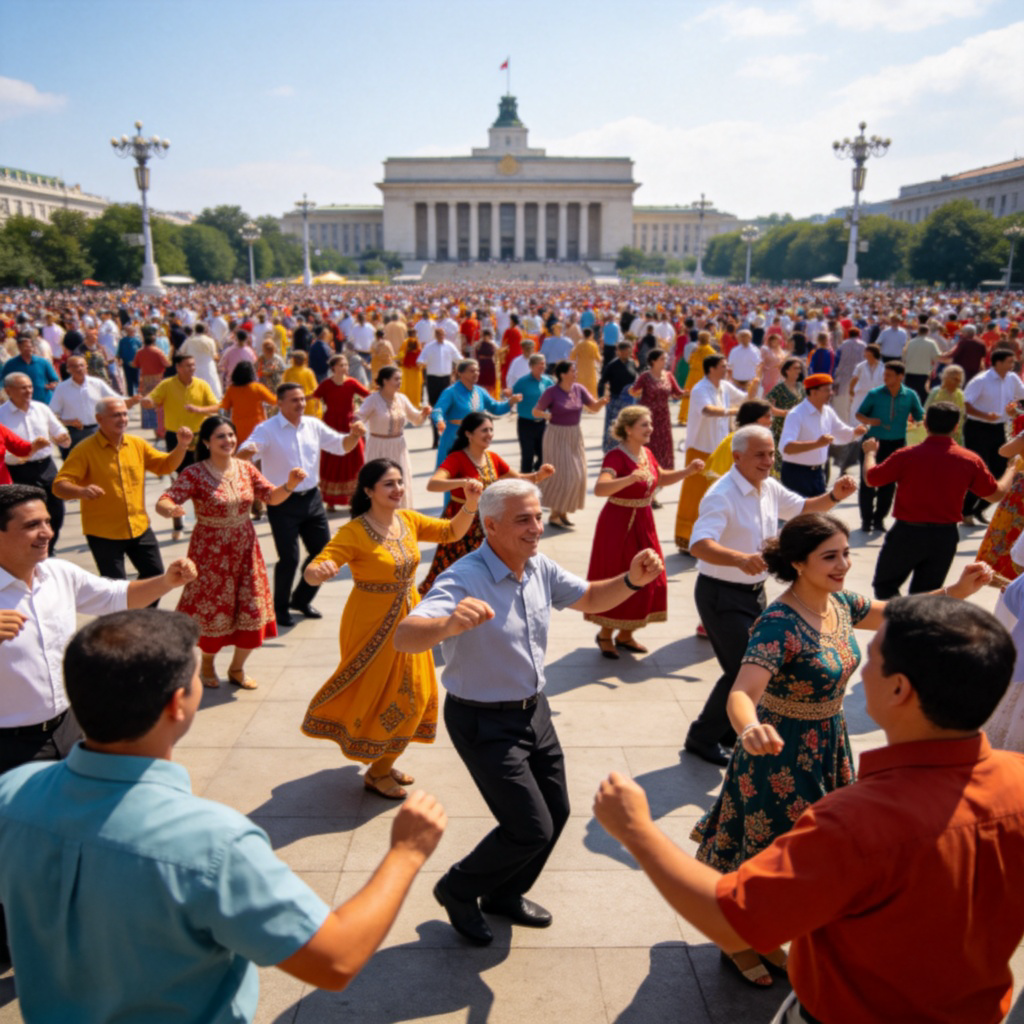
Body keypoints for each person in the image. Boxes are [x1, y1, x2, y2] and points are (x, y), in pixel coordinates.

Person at [0, 607, 448, 1021]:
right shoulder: (210, 842)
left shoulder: (12, 793)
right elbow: (337, 960)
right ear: (178, 704)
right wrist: (406, 852)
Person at [594, 595, 1024, 1024]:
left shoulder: (857, 821)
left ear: (899, 690)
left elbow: (733, 920)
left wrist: (637, 830)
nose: (858, 671)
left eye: (871, 659)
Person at [688, 512, 992, 985]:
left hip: (828, 746)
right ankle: (736, 941)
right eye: (830, 556)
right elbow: (741, 692)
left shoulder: (840, 604)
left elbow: (897, 612)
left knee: (813, 856)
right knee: (770, 855)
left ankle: (765, 933)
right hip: (778, 756)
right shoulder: (778, 623)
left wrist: (956, 592)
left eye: (846, 553)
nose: (844, 564)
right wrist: (749, 730)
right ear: (798, 563)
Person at [394, 478, 665, 946]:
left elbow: (591, 598)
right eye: (524, 519)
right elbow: (406, 635)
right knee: (528, 828)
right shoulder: (463, 577)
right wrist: (447, 623)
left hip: (534, 712)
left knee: (556, 813)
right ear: (492, 526)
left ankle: (504, 894)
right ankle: (457, 889)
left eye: (539, 516)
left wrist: (631, 581)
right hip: (483, 721)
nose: (537, 527)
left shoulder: (538, 566)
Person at [300, 460, 482, 799]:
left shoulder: (408, 520)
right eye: (388, 484)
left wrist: (470, 504)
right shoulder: (353, 531)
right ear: (368, 491)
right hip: (370, 623)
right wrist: (318, 571)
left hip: (411, 617)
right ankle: (379, 770)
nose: (398, 488)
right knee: (390, 696)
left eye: (399, 481)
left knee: (417, 692)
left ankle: (384, 758)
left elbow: (451, 532)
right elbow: (317, 566)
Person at [683, 427, 856, 767]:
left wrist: (834, 495)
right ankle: (701, 737)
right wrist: (739, 558)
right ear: (738, 457)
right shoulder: (721, 494)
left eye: (771, 453)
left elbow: (804, 508)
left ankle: (728, 730)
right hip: (721, 594)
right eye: (761, 454)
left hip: (753, 593)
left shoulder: (769, 486)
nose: (769, 461)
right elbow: (699, 544)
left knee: (747, 667)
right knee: (740, 669)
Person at [156, 416, 306, 690]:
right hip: (209, 551)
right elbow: (165, 499)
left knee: (250, 606)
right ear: (206, 442)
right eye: (221, 437)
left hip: (245, 548)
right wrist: (171, 509)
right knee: (213, 608)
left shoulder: (245, 468)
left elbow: (271, 497)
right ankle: (209, 663)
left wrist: (290, 485)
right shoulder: (194, 473)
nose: (228, 441)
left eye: (231, 435)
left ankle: (237, 668)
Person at [237, 382, 365, 627]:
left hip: (312, 499)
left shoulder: (313, 425)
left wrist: (354, 436)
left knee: (323, 552)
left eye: (302, 399)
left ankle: (301, 599)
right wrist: (247, 451)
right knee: (289, 558)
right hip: (282, 501)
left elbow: (342, 446)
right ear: (280, 403)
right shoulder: (267, 429)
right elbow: (245, 452)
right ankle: (280, 608)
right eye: (294, 400)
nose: (301, 404)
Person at [865, 403, 1015, 598]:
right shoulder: (968, 459)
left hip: (906, 533)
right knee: (927, 596)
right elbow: (995, 494)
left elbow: (871, 478)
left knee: (885, 586)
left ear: (925, 424)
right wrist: (1012, 470)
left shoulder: (906, 455)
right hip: (943, 537)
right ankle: (914, 625)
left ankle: (898, 623)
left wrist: (870, 453)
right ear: (956, 426)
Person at [589, 406, 704, 658]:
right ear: (628, 429)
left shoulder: (647, 453)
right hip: (617, 524)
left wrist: (687, 472)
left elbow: (660, 478)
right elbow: (601, 488)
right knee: (617, 576)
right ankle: (605, 634)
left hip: (644, 520)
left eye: (650, 423)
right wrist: (629, 479)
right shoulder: (615, 458)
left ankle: (627, 634)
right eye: (644, 424)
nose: (650, 428)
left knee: (650, 576)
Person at [53, 398, 192, 583]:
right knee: (114, 589)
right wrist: (81, 490)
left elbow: (165, 465)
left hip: (139, 527)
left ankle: (141, 613)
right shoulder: (84, 450)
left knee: (156, 577)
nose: (123, 419)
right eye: (116, 415)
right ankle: (125, 612)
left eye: (125, 414)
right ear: (99, 419)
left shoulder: (137, 444)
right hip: (103, 533)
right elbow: (59, 485)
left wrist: (181, 446)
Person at [419, 411, 553, 594]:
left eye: (491, 429)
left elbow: (519, 479)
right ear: (468, 434)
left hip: (487, 522)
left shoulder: (493, 458)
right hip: (461, 521)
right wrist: (463, 482)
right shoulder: (457, 458)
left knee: (488, 568)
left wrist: (539, 476)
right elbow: (433, 484)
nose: (489, 434)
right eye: (484, 430)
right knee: (453, 569)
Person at [675, 354, 747, 553]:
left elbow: (745, 397)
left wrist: (758, 381)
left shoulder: (724, 386)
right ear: (712, 369)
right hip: (700, 449)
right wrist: (732, 411)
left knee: (717, 496)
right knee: (695, 496)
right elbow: (707, 410)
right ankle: (686, 539)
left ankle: (710, 540)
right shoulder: (700, 389)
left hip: (718, 450)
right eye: (723, 366)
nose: (726, 369)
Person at [534, 360, 607, 529]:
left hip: (574, 435)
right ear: (562, 374)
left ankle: (563, 512)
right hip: (556, 435)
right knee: (562, 475)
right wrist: (546, 416)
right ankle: (554, 514)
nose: (575, 374)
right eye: (573, 371)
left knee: (577, 475)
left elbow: (593, 408)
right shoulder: (551, 392)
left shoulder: (579, 389)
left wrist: (602, 401)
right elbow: (536, 411)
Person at [854, 361, 924, 532]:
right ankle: (866, 520)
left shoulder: (910, 395)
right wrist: (870, 421)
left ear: (900, 377)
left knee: (889, 484)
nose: (885, 378)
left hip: (897, 444)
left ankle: (879, 520)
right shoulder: (875, 394)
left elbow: (919, 415)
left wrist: (918, 422)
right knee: (868, 481)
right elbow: (859, 414)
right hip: (873, 443)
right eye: (884, 375)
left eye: (889, 375)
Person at [962, 347, 1024, 525]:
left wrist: (1016, 410)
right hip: (977, 428)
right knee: (979, 470)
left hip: (997, 429)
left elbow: (1022, 397)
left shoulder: (1012, 378)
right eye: (1009, 362)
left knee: (999, 470)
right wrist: (985, 415)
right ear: (998, 362)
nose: (1013, 365)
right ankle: (966, 511)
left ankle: (977, 509)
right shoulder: (981, 380)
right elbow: (966, 404)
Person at [355, 365, 431, 509]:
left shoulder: (402, 399)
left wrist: (424, 414)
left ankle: (400, 515)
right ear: (384, 381)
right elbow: (359, 416)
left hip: (399, 446)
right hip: (379, 447)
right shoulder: (373, 400)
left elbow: (416, 419)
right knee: (380, 481)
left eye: (400, 379)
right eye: (396, 379)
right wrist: (357, 425)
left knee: (400, 480)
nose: (400, 382)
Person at [778, 372, 866, 497]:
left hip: (818, 473)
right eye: (827, 390)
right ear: (813, 392)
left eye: (831, 390)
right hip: (796, 474)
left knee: (818, 514)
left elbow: (841, 433)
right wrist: (817, 444)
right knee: (799, 516)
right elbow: (786, 448)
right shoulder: (796, 414)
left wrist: (855, 432)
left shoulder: (827, 411)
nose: (831, 393)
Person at [431, 358, 515, 467]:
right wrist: (439, 421)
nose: (476, 373)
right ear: (460, 373)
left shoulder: (480, 391)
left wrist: (510, 402)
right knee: (452, 471)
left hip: (476, 438)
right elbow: (438, 410)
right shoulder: (451, 392)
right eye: (472, 371)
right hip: (455, 437)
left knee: (474, 472)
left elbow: (495, 408)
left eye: (477, 371)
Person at [313, 354, 370, 510]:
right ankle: (330, 501)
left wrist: (361, 412)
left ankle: (354, 498)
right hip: (331, 425)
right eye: (341, 365)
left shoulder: (352, 383)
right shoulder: (326, 384)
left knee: (355, 458)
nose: (345, 367)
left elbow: (369, 395)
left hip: (349, 425)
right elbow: (313, 397)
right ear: (333, 368)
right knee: (332, 459)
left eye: (346, 365)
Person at [49, 353, 126, 455]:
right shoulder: (62, 388)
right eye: (75, 366)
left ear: (86, 367)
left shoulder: (97, 383)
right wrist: (67, 422)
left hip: (97, 430)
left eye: (82, 365)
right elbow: (51, 413)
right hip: (75, 433)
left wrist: (135, 400)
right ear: (68, 369)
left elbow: (117, 399)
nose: (79, 369)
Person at [628, 348, 684, 473]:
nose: (665, 361)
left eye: (665, 358)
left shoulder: (669, 375)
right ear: (653, 361)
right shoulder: (645, 376)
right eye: (662, 359)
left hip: (663, 417)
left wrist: (693, 392)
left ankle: (661, 472)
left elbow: (678, 393)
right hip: (647, 418)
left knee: (663, 444)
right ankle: (645, 469)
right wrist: (633, 391)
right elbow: (634, 390)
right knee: (647, 443)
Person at [417, 328, 463, 448]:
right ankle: (435, 439)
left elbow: (458, 358)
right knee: (434, 408)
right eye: (439, 334)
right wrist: (420, 362)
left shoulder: (449, 345)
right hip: (433, 380)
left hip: (446, 380)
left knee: (448, 408)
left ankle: (448, 437)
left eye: (443, 334)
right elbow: (421, 358)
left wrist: (465, 365)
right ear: (435, 335)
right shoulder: (429, 346)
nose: (441, 336)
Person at [511, 354, 554, 473]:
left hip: (542, 423)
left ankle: (537, 476)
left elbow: (553, 399)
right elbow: (512, 394)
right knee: (527, 455)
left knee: (543, 454)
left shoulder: (547, 381)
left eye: (543, 363)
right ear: (531, 366)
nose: (542, 366)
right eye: (539, 364)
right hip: (526, 423)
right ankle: (525, 481)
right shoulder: (523, 382)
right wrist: (511, 396)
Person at [598, 339, 640, 453]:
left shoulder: (632, 363)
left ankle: (627, 449)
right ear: (618, 352)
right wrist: (601, 398)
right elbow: (602, 381)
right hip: (615, 401)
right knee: (613, 426)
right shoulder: (612, 365)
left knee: (629, 427)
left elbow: (637, 379)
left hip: (630, 401)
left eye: (627, 352)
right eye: (622, 352)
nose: (625, 354)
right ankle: (610, 451)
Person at [765, 357, 803, 477]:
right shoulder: (780, 388)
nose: (798, 371)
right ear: (787, 371)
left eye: (799, 368)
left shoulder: (801, 387)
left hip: (798, 426)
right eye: (795, 368)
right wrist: (784, 413)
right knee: (782, 458)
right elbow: (767, 405)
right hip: (782, 426)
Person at [132, 326, 171, 438]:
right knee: (160, 404)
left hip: (145, 380)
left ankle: (154, 429)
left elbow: (136, 364)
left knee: (147, 403)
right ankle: (161, 430)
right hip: (158, 379)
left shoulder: (140, 352)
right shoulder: (158, 351)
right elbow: (167, 364)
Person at [2, 334, 58, 404]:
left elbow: (54, 380)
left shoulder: (43, 362)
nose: (29, 348)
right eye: (25, 346)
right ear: (19, 347)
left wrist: (52, 385)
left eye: (30, 346)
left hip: (44, 402)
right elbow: (3, 381)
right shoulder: (11, 364)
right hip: (21, 403)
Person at [923, 363, 967, 444]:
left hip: (955, 436)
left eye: (958, 380)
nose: (957, 382)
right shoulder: (936, 392)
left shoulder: (961, 395)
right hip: (935, 433)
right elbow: (926, 411)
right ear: (946, 378)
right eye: (954, 379)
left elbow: (962, 416)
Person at [180, 323, 222, 400]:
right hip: (208, 366)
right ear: (205, 330)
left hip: (193, 366)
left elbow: (181, 352)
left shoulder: (189, 340)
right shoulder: (210, 340)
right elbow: (213, 355)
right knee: (211, 387)